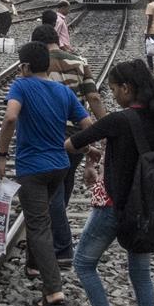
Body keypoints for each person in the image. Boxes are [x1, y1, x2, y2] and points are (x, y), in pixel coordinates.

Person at [65, 59, 154, 306]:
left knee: (83, 263)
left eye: (114, 89)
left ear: (126, 88)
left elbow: (73, 143)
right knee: (141, 275)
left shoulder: (119, 120)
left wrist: (87, 153)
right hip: (147, 209)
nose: (113, 95)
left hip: (115, 207)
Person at [0, 42, 93, 306]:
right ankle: (33, 265)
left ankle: (53, 292)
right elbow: (87, 125)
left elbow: (10, 118)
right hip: (60, 166)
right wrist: (87, 150)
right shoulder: (63, 91)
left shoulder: (21, 86)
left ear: (25, 66)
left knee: (38, 225)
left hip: (33, 168)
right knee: (39, 217)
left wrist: (2, 155)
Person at [31, 25, 106, 267]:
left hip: (51, 133)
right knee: (65, 180)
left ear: (38, 44)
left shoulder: (39, 65)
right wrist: (105, 129)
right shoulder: (79, 61)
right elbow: (93, 97)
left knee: (52, 190)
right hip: (77, 134)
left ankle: (61, 245)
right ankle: (56, 234)